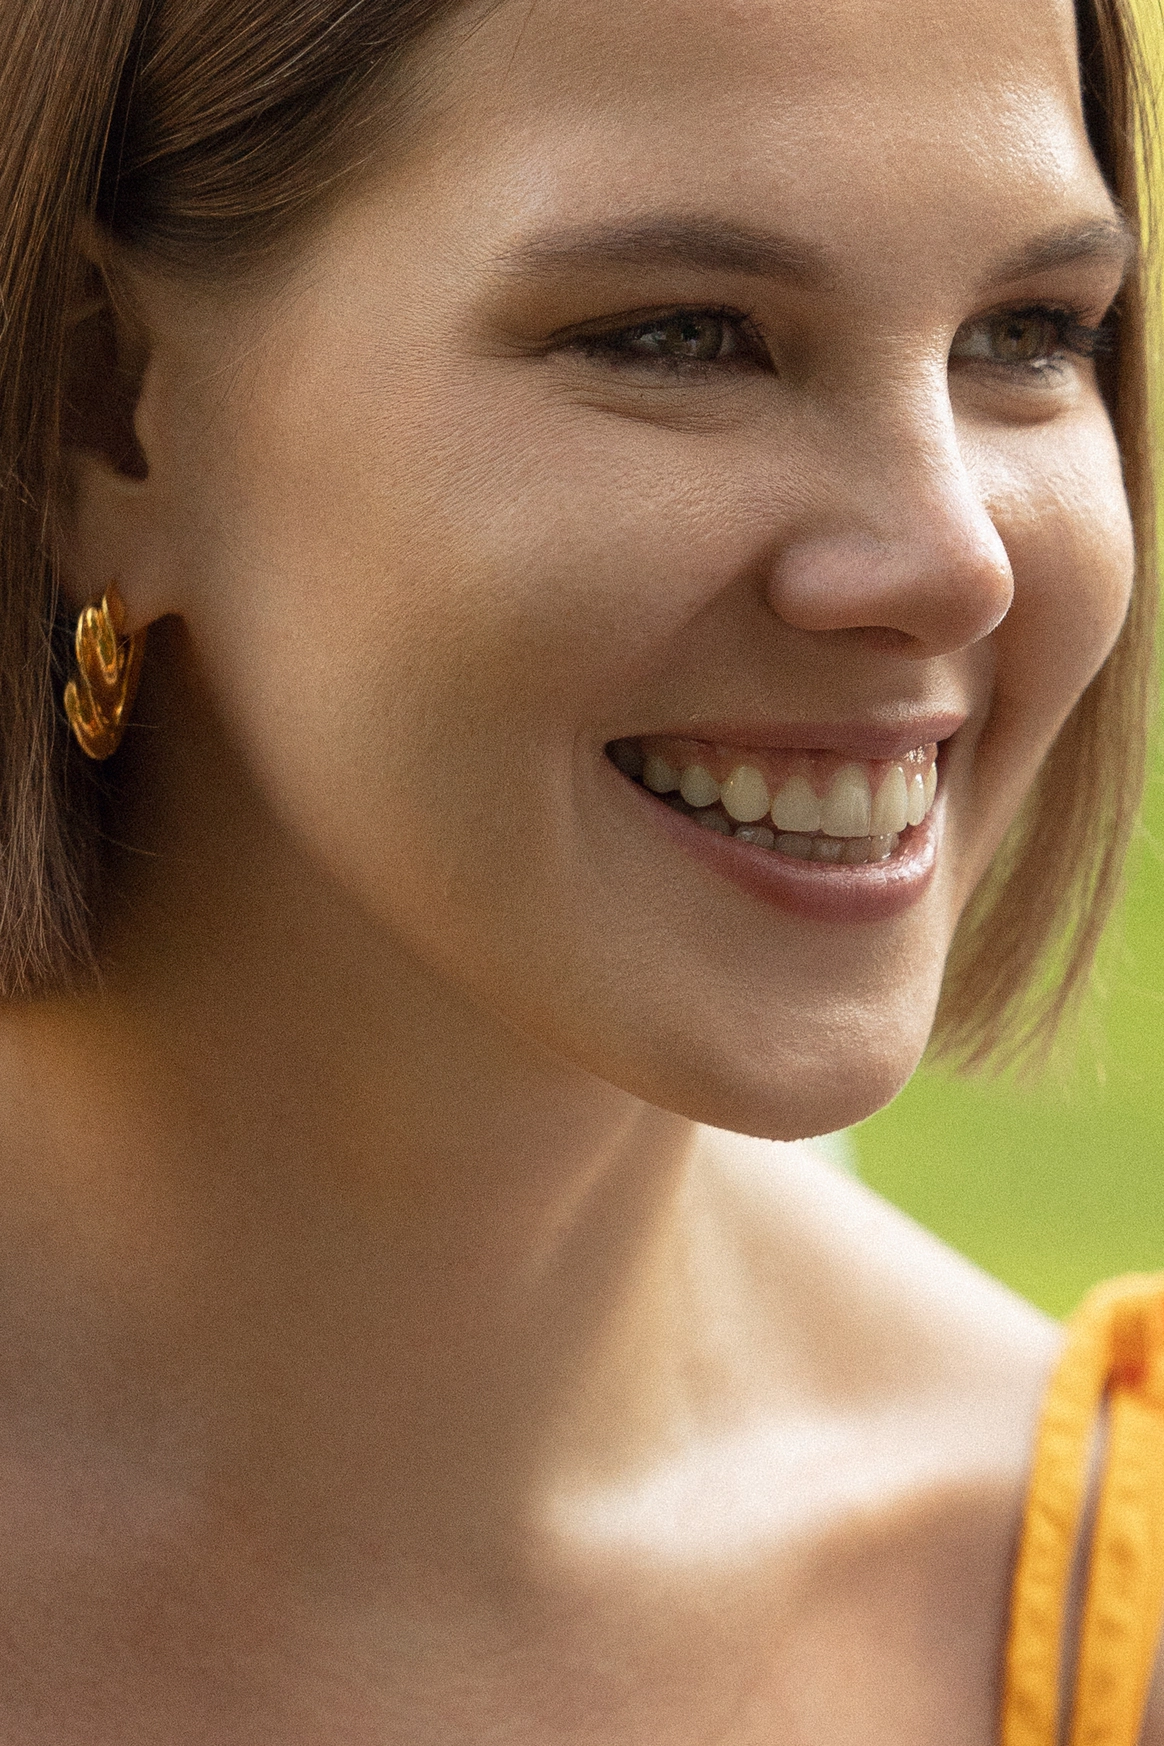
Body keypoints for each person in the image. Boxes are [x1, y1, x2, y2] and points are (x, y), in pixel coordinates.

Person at [0, 0, 1158, 1739]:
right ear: (101, 414)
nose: (952, 557)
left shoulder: (1089, 1625)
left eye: (1029, 330)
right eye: (686, 335)